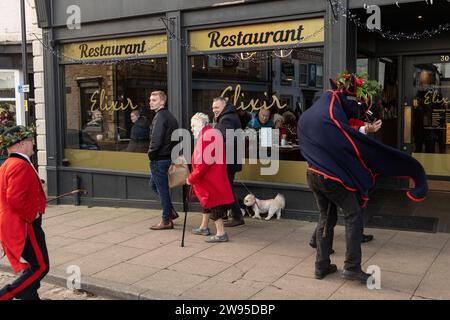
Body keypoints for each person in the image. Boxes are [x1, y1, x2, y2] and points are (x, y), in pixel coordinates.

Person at [298, 72, 427, 283]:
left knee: (326, 217)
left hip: (313, 174)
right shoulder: (330, 114)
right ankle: (352, 267)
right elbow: (347, 139)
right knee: (353, 215)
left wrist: (362, 128)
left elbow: (338, 133)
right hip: (331, 178)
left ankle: (321, 266)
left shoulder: (314, 114)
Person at [308, 118, 383, 252]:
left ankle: (320, 249)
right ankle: (350, 265)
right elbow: (343, 133)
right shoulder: (333, 117)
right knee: (352, 212)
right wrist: (365, 129)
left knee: (328, 214)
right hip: (331, 174)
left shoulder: (322, 118)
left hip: (319, 172)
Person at [0, 126, 49, 300]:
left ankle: (29, 297)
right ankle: (6, 295)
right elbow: (14, 198)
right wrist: (32, 215)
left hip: (17, 223)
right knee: (40, 267)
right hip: (25, 224)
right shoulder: (20, 165)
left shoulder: (10, 163)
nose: (33, 143)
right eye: (30, 140)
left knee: (34, 266)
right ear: (21, 144)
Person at [188, 113, 235, 242]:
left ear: (201, 124)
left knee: (214, 205)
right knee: (207, 203)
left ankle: (221, 233)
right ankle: (204, 227)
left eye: (193, 126)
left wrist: (192, 178)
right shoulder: (210, 134)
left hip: (210, 178)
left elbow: (204, 163)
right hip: (212, 177)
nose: (191, 129)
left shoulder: (207, 136)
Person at [147, 91, 180, 230]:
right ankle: (170, 211)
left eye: (154, 100)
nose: (150, 102)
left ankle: (166, 220)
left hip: (159, 159)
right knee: (154, 185)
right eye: (150, 99)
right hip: (167, 158)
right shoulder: (170, 116)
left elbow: (156, 140)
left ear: (162, 102)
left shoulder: (160, 117)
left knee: (162, 189)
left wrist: (151, 154)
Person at [212, 97, 245, 227]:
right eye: (213, 107)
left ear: (224, 106)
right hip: (231, 159)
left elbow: (228, 141)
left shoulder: (226, 119)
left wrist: (214, 147)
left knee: (227, 189)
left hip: (228, 161)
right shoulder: (229, 116)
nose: (214, 110)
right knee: (227, 187)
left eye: (217, 107)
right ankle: (225, 213)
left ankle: (237, 216)